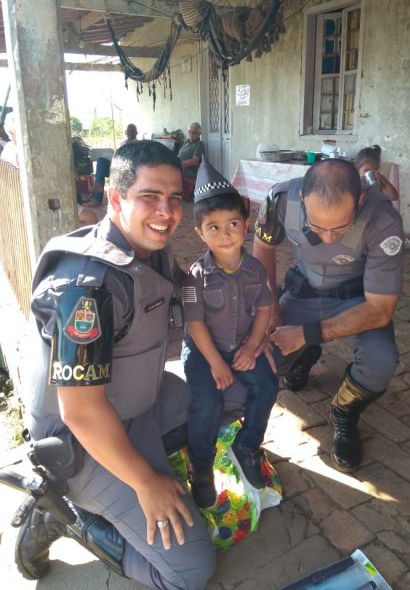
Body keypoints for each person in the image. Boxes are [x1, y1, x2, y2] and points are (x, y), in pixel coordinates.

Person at [18, 141, 248, 589]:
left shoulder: (150, 250)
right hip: (83, 442)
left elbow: (196, 290)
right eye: (150, 197)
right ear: (115, 198)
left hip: (141, 402)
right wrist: (146, 483)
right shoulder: (86, 290)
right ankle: (67, 516)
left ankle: (142, 475)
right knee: (190, 573)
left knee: (234, 394)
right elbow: (81, 412)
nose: (167, 212)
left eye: (175, 198)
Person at [253, 158, 404, 473]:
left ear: (359, 199)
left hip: (357, 302)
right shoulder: (280, 200)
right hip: (302, 294)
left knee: (381, 361)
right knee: (263, 356)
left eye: (340, 227)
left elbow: (380, 310)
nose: (328, 238)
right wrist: (270, 307)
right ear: (303, 199)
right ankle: (304, 357)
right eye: (317, 226)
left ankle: (345, 412)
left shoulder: (383, 219)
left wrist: (306, 334)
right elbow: (262, 247)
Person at [181, 159, 278, 508]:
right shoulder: (195, 277)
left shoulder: (255, 269)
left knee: (268, 385)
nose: (225, 234)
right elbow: (195, 325)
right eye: (214, 227)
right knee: (206, 404)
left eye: (233, 224)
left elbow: (264, 308)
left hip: (240, 345)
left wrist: (252, 346)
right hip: (203, 351)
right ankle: (201, 467)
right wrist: (216, 365)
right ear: (200, 233)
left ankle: (247, 445)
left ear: (246, 224)